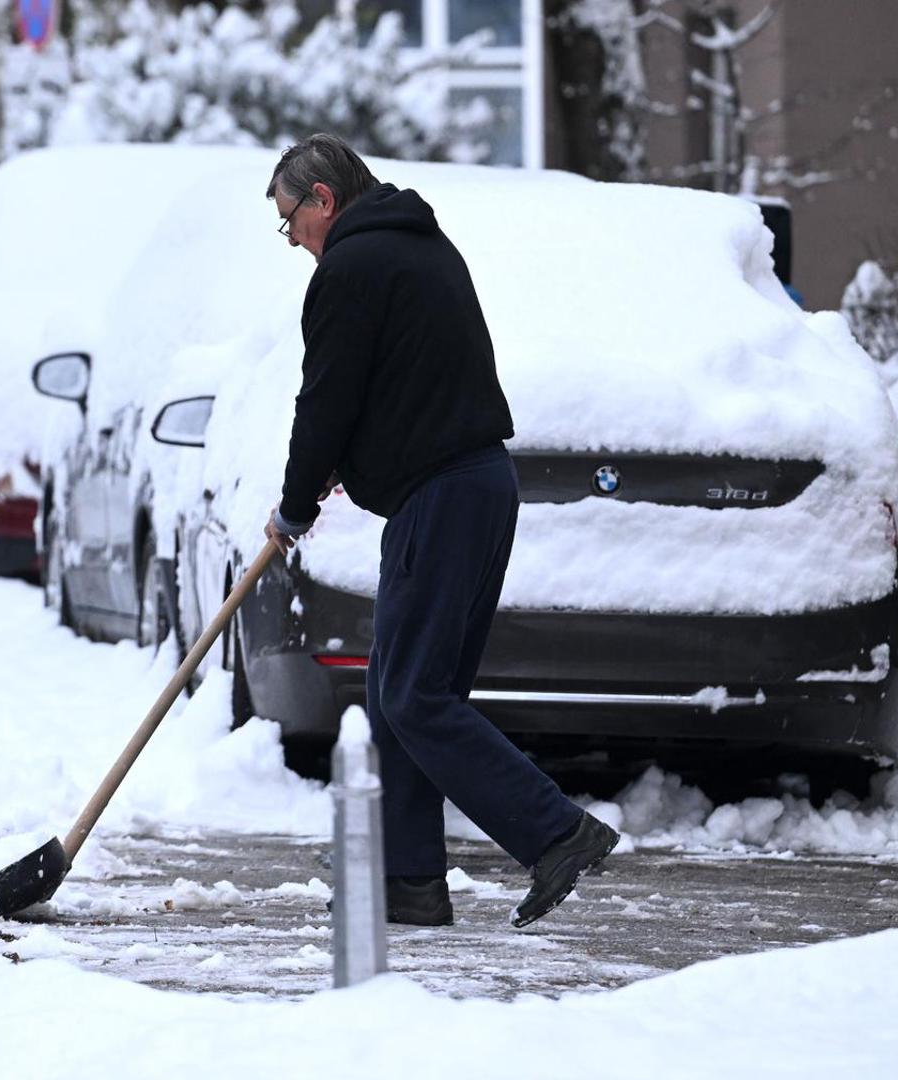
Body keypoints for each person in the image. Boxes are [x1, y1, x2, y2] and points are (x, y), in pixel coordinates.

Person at [262, 135, 617, 929]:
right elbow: (403, 381)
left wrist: (294, 505)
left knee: (413, 695)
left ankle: (556, 831)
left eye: (291, 221)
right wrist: (351, 459)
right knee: (401, 696)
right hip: (475, 485)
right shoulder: (419, 246)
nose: (291, 240)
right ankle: (409, 880)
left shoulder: (349, 269)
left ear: (323, 200)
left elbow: (325, 400)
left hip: (442, 497)